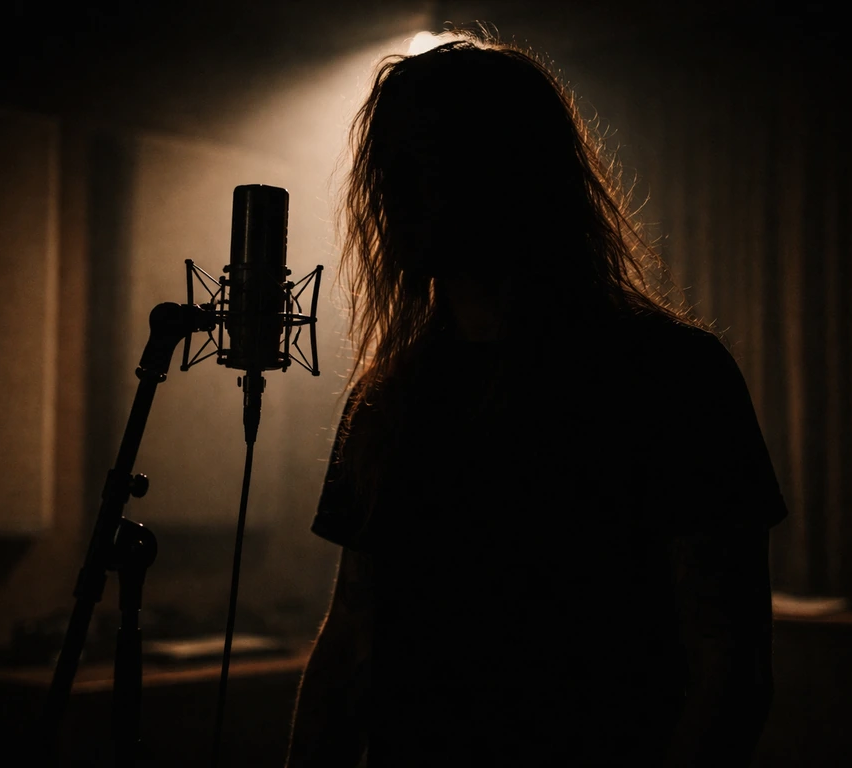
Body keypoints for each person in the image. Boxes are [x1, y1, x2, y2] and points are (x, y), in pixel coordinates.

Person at [285, 32, 787, 768]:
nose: (397, 192)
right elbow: (351, 639)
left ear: (509, 173)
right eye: (392, 166)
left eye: (431, 158)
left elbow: (729, 668)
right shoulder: (388, 399)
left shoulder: (673, 376)